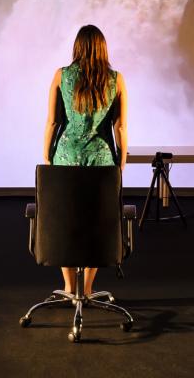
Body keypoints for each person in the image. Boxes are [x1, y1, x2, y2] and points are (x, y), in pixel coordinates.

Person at [42, 24, 128, 297]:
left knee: (65, 220)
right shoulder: (116, 79)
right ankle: (88, 288)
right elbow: (120, 127)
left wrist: (47, 155)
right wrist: (121, 162)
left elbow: (53, 121)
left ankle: (69, 286)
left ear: (77, 47)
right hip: (102, 161)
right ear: (103, 48)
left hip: (65, 158)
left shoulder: (61, 75)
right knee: (97, 223)